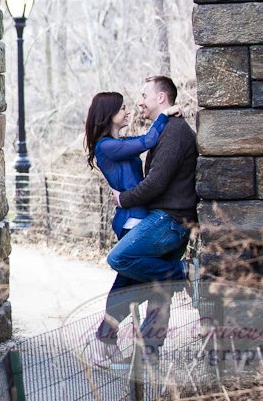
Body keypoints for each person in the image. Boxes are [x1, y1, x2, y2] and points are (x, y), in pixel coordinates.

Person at [82, 91, 180, 366]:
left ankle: (107, 340)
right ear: (109, 113)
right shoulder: (105, 146)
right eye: (123, 108)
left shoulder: (116, 143)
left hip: (139, 217)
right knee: (128, 283)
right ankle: (102, 338)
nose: (128, 112)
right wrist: (164, 115)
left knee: (128, 284)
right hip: (132, 221)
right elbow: (149, 141)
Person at [106, 75, 199, 357]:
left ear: (162, 98)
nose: (140, 101)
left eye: (145, 95)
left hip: (169, 220)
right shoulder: (167, 130)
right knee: (162, 287)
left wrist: (123, 199)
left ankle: (187, 272)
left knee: (119, 258)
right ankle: (149, 351)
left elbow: (155, 183)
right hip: (174, 219)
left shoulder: (175, 132)